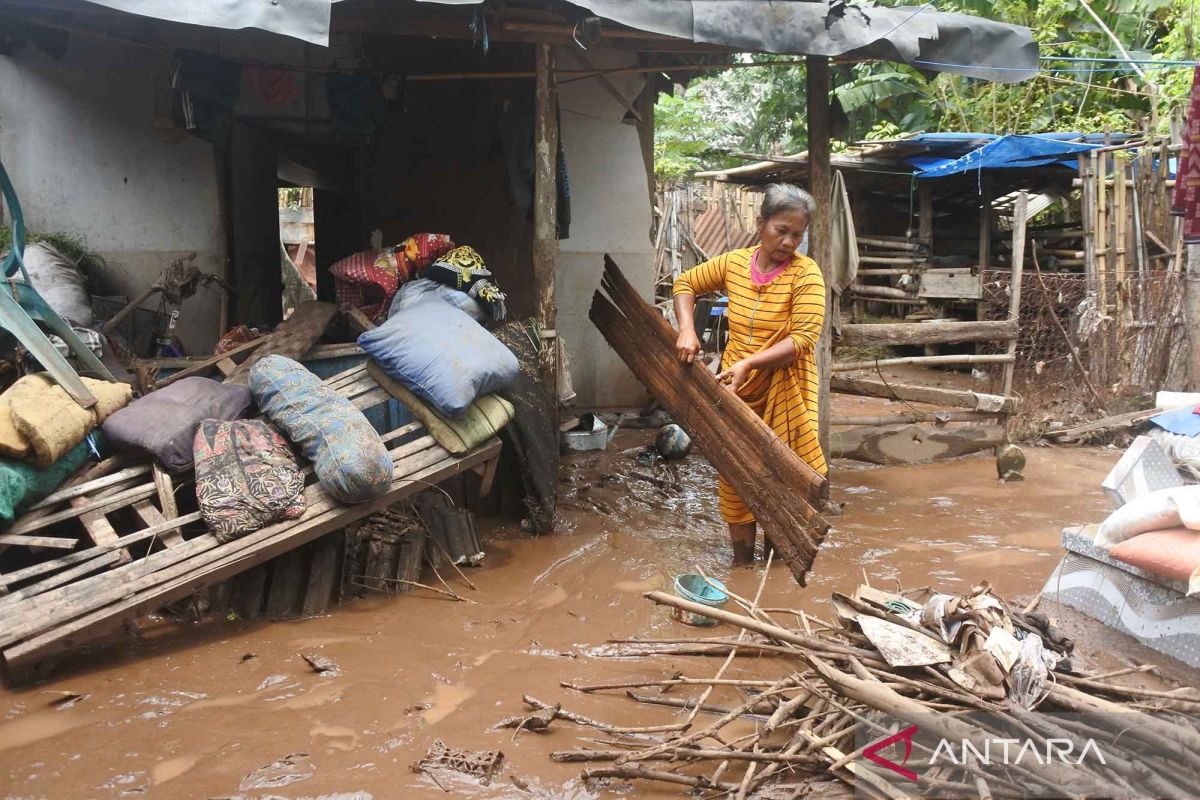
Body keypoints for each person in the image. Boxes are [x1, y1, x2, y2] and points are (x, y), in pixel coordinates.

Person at [672, 183, 827, 565]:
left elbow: (804, 338)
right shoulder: (734, 264)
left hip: (786, 389)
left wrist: (750, 363)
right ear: (760, 224)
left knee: (783, 480)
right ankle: (741, 566)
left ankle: (778, 566)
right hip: (737, 390)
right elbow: (685, 284)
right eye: (782, 231)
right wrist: (687, 329)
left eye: (798, 234)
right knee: (736, 474)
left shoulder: (806, 276)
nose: (790, 242)